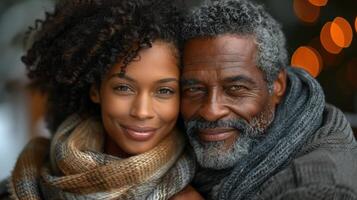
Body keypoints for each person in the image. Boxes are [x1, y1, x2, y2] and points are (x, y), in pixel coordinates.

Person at [0, 0, 203, 199]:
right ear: (96, 89)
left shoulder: (190, 194)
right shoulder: (24, 179)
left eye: (165, 91)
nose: (142, 111)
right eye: (123, 88)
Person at [180, 0, 357, 199]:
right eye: (194, 89)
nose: (211, 111)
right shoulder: (172, 138)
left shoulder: (319, 188)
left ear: (277, 85)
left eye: (235, 88)